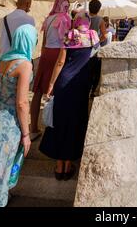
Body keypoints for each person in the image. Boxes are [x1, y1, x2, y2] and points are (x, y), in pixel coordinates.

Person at [39, 13, 99, 180]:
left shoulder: (70, 35)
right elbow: (95, 59)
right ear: (88, 22)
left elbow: (60, 62)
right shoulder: (93, 36)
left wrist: (51, 84)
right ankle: (68, 163)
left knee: (60, 121)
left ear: (75, 22)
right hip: (81, 85)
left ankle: (59, 165)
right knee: (75, 121)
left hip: (64, 82)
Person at [0, 24, 38, 207]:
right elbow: (22, 103)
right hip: (10, 125)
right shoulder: (25, 65)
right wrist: (26, 135)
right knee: (2, 171)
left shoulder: (3, 59)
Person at [30, 0, 71, 141]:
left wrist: (43, 55)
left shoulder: (48, 19)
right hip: (58, 53)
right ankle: (51, 132)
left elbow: (44, 41)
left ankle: (33, 128)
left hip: (46, 53)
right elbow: (66, 41)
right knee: (53, 92)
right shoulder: (66, 19)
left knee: (38, 91)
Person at [88, 0, 107, 95]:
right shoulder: (100, 20)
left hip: (83, 47)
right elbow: (104, 36)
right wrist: (97, 41)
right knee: (94, 71)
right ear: (99, 9)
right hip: (94, 49)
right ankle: (92, 91)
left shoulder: (84, 17)